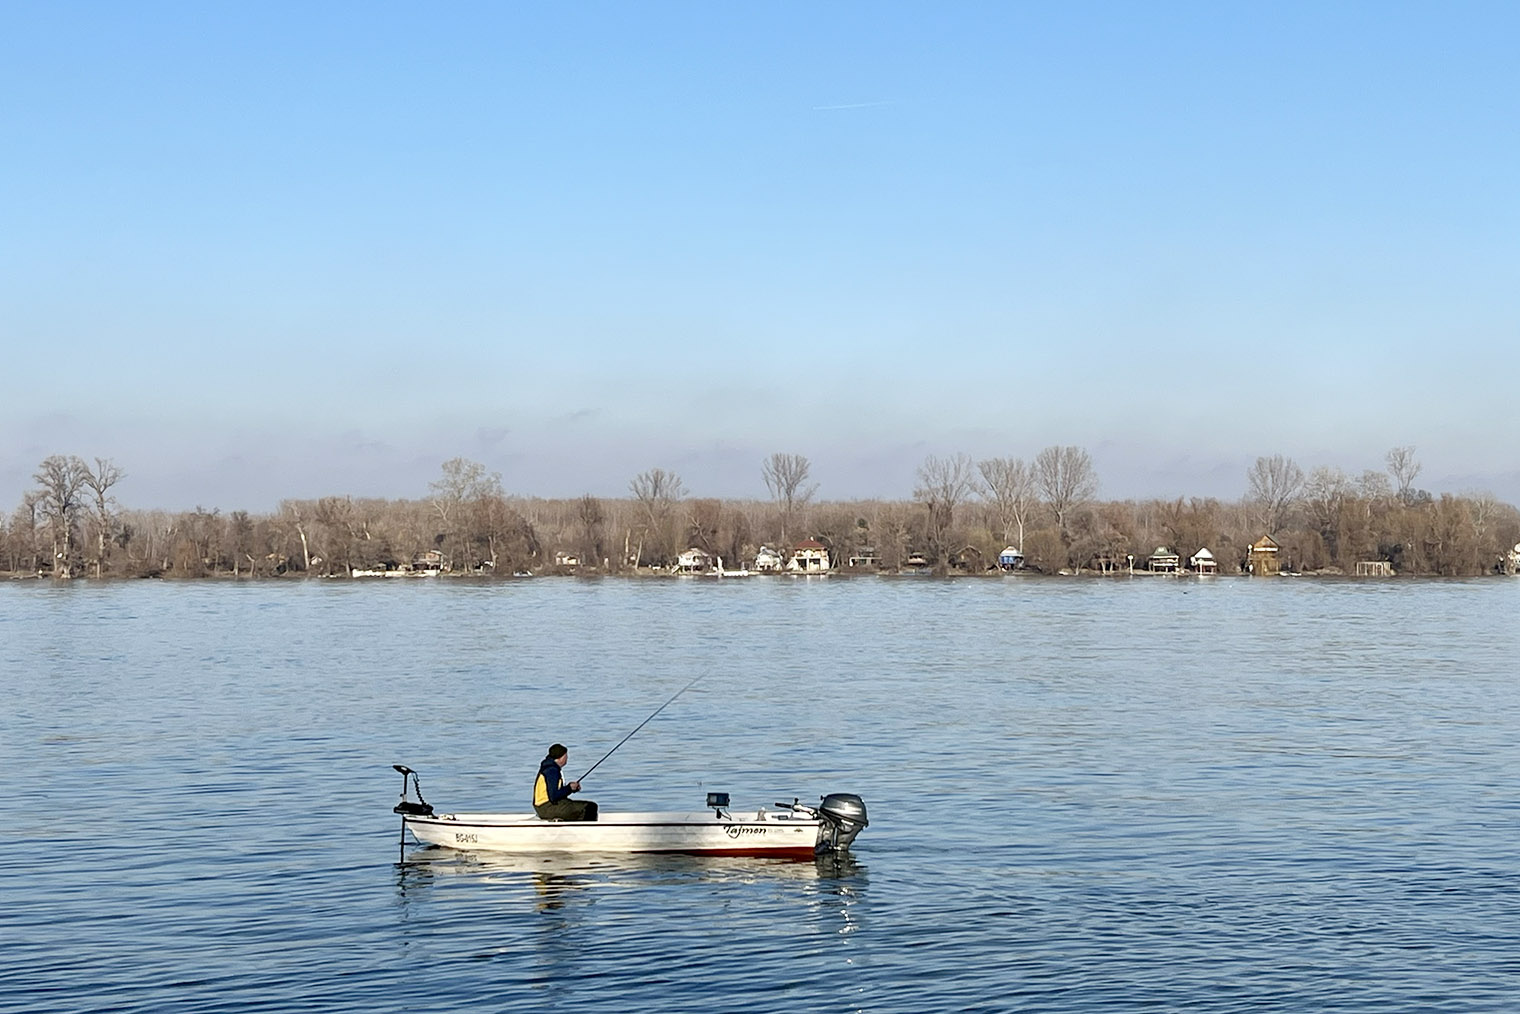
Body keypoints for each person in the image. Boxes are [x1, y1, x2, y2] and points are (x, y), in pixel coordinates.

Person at [533, 743, 598, 821]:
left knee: (580, 807)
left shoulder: (550, 768)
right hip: (547, 808)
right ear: (560, 758)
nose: (567, 758)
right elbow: (554, 796)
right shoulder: (552, 771)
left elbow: (555, 793)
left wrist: (571, 789)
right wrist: (569, 788)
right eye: (566, 756)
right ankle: (585, 830)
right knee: (590, 807)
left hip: (544, 807)